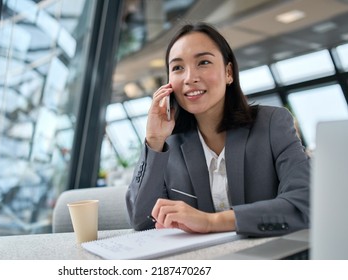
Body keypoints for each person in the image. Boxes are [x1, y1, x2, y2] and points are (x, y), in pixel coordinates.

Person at [125, 22, 310, 237]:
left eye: (203, 62)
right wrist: (154, 140)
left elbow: (305, 203)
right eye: (177, 68)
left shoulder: (272, 124)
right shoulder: (169, 144)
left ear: (228, 72)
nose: (189, 78)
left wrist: (210, 221)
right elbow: (141, 221)